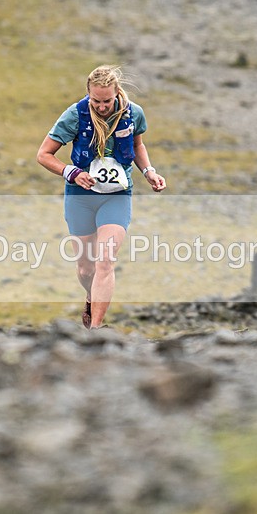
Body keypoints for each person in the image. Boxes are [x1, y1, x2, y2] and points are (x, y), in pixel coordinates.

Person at [37, 65, 166, 329]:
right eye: (96, 101)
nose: (102, 107)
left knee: (105, 260)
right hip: (81, 196)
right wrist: (72, 173)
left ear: (117, 93)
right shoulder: (74, 115)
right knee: (86, 269)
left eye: (107, 101)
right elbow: (44, 155)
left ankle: (95, 330)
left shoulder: (133, 113)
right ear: (89, 94)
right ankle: (90, 296)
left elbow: (138, 145)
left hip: (116, 195)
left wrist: (149, 171)